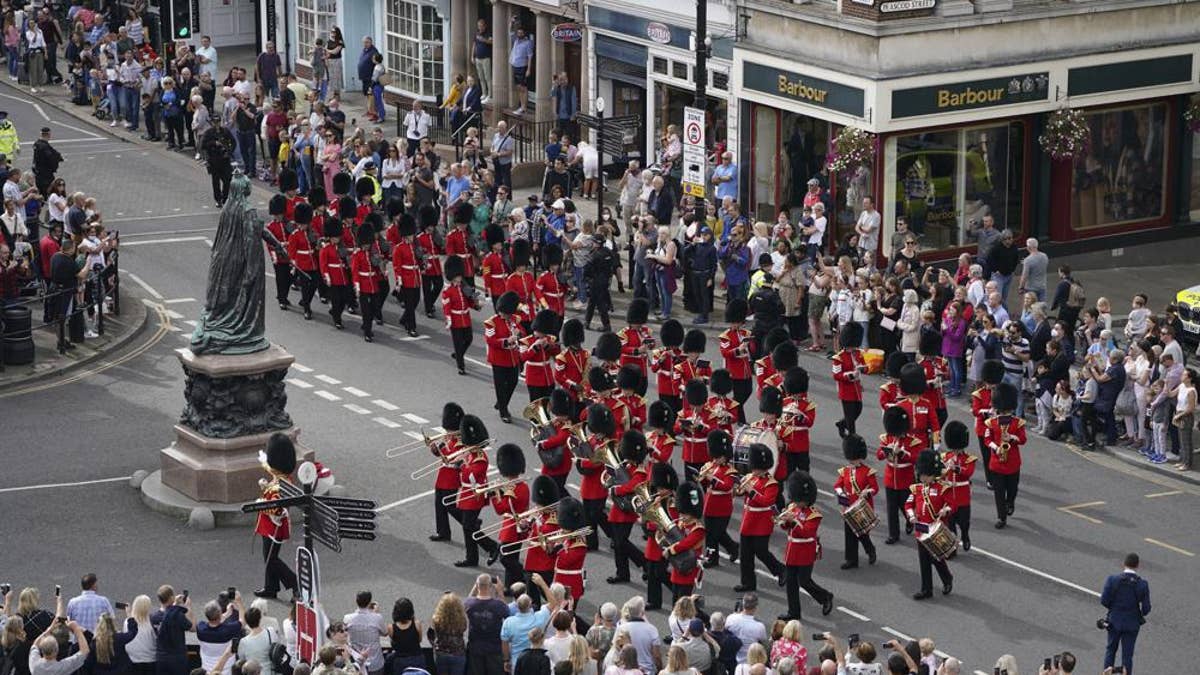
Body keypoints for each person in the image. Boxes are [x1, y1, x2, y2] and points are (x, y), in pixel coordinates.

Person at [778, 471, 834, 621]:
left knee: (804, 581)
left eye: (798, 500)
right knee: (791, 583)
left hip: (805, 551)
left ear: (806, 499)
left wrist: (794, 521)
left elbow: (807, 532)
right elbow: (786, 528)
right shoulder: (793, 507)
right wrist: (785, 520)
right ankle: (793, 612)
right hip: (792, 550)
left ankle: (825, 597)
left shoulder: (814, 514)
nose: (795, 502)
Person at [253, 434, 299, 601]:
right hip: (269, 527)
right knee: (268, 557)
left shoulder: (280, 486)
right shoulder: (282, 476)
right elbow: (271, 469)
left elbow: (276, 510)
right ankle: (271, 587)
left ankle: (295, 583)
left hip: (274, 526)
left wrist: (260, 502)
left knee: (271, 559)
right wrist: (263, 460)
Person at [905, 450, 954, 600]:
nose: (922, 477)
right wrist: (912, 517)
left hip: (936, 529)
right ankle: (926, 589)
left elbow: (952, 504)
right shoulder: (917, 489)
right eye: (921, 475)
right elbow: (908, 504)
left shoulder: (942, 488)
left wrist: (945, 510)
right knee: (924, 561)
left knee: (936, 558)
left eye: (925, 475)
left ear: (932, 474)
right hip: (921, 530)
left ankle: (947, 578)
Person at [1100, 553, 1151, 675]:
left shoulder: (1112, 580)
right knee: (1127, 656)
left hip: (1114, 621)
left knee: (1111, 650)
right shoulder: (1142, 584)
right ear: (1137, 565)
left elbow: (1104, 601)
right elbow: (1146, 609)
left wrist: (1115, 609)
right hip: (1132, 624)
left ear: (1124, 564)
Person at [465, 574, 509, 675]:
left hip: (475, 647)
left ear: (477, 585)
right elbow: (508, 614)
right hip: (494, 647)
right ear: (490, 586)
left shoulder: (470, 603)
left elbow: (468, 601)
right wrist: (500, 592)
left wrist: (475, 587)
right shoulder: (498, 605)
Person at [150, 586, 193, 675]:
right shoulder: (178, 616)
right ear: (171, 598)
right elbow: (192, 627)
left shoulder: (153, 617)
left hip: (161, 659)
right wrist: (188, 607)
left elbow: (167, 614)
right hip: (177, 659)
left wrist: (174, 605)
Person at [430, 594, 468, 675]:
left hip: (441, 654)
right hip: (458, 654)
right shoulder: (462, 619)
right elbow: (464, 629)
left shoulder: (436, 619)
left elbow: (432, 633)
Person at [509, 26, 534, 115]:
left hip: (523, 67)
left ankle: (524, 107)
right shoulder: (516, 40)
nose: (519, 34)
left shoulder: (527, 43)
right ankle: (521, 105)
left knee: (523, 87)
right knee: (518, 87)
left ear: (524, 34)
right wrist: (511, 23)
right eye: (518, 33)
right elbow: (510, 32)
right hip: (515, 66)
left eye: (521, 33)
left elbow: (530, 56)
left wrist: (528, 69)